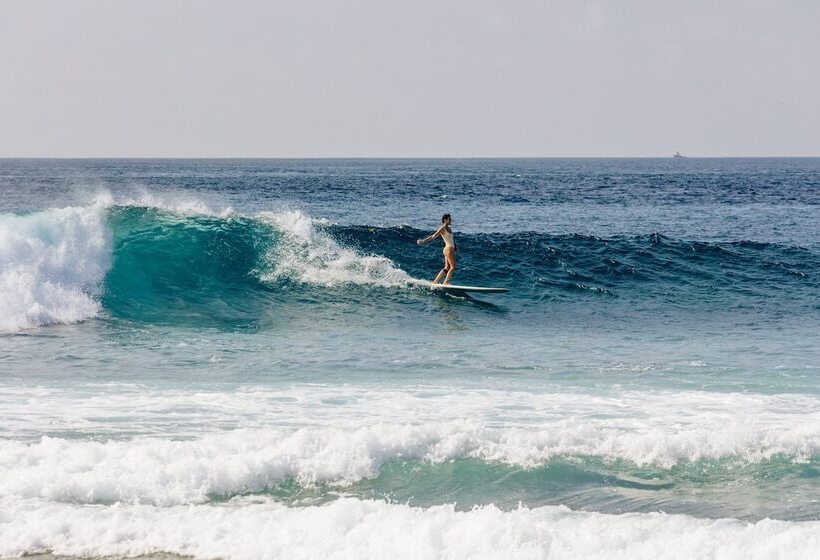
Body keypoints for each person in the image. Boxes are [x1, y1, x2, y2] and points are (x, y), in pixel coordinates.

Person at [417, 213, 458, 284]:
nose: (451, 220)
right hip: (448, 249)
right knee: (453, 267)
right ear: (445, 220)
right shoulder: (442, 228)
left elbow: (450, 239)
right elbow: (433, 236)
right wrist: (423, 241)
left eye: (450, 219)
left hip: (448, 249)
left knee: (446, 268)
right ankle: (446, 282)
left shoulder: (449, 228)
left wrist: (455, 246)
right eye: (449, 219)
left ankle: (436, 281)